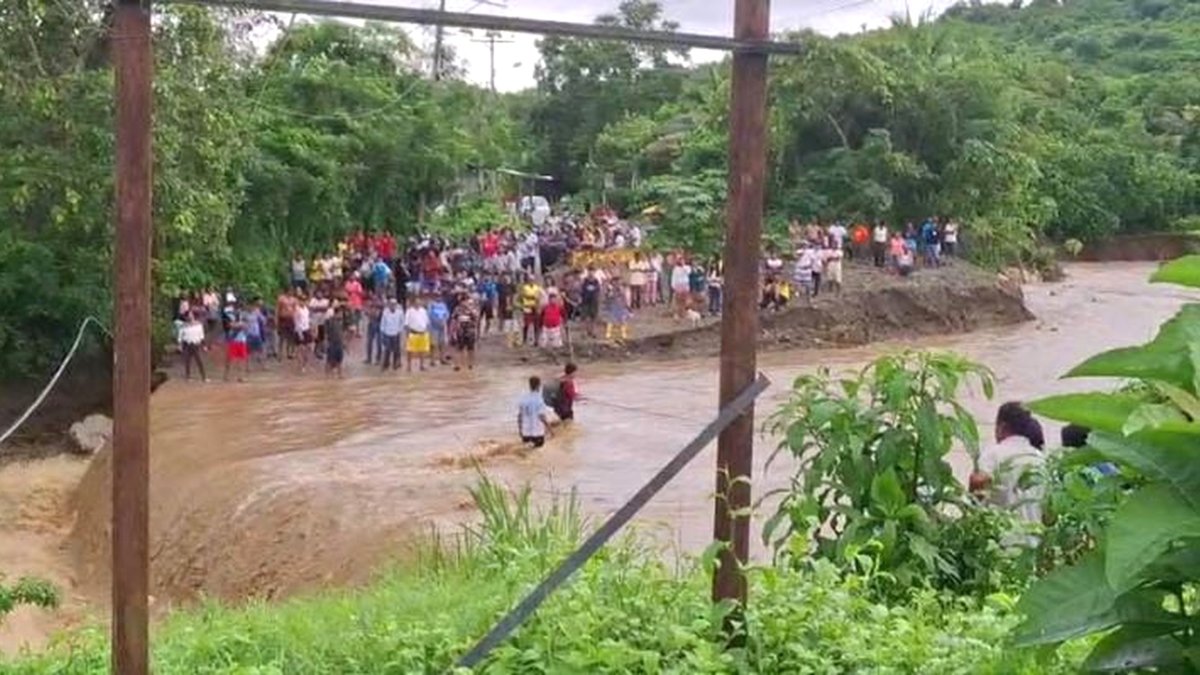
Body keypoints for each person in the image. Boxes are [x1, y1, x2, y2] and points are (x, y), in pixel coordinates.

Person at [972, 402, 1046, 524]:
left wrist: (972, 505)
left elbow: (978, 480)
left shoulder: (993, 454)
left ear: (1001, 427)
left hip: (1003, 537)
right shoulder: (1039, 458)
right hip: (1035, 537)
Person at [517, 376, 553, 449]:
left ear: (529, 385)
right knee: (537, 453)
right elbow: (541, 416)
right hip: (537, 432)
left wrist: (520, 429)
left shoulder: (523, 398)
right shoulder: (539, 399)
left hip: (526, 432)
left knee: (527, 453)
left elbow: (519, 416)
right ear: (539, 385)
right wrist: (550, 429)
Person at [451, 295, 480, 371]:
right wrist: (452, 332)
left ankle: (470, 364)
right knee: (459, 348)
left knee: (471, 349)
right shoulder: (457, 309)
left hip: (470, 331)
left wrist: (470, 310)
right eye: (464, 301)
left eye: (467, 301)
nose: (465, 303)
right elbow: (453, 320)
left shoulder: (473, 309)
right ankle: (458, 365)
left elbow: (477, 319)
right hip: (460, 331)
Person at [178, 311, 207, 382]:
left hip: (196, 344)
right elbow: (180, 337)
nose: (190, 317)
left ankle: (204, 377)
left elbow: (201, 336)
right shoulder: (183, 326)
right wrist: (179, 345)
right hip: (187, 344)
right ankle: (188, 377)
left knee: (199, 361)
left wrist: (204, 345)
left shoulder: (198, 325)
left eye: (191, 315)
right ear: (186, 317)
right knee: (187, 361)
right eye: (188, 315)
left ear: (194, 316)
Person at [405, 296, 431, 372]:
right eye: (416, 302)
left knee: (422, 350)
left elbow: (427, 322)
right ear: (413, 303)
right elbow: (406, 324)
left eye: (419, 302)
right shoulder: (409, 311)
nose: (418, 304)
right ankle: (409, 366)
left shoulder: (423, 311)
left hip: (423, 332)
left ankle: (422, 365)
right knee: (410, 350)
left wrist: (427, 331)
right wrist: (407, 333)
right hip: (413, 333)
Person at [223, 311, 250, 382]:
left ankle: (240, 376)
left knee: (241, 360)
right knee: (231, 359)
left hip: (242, 341)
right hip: (234, 341)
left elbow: (245, 326)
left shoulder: (241, 322)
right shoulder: (231, 321)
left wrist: (239, 325)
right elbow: (232, 326)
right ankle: (226, 375)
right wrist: (239, 325)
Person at [379, 298, 404, 371]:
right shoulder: (385, 312)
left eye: (394, 304)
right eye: (391, 304)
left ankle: (395, 363)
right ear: (389, 305)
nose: (392, 306)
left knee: (396, 349)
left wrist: (399, 330)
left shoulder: (400, 312)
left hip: (396, 333)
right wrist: (382, 332)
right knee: (387, 349)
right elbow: (383, 323)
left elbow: (402, 322)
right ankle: (386, 364)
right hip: (387, 333)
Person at [580, 266, 602, 338]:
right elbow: (582, 290)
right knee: (584, 317)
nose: (591, 273)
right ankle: (584, 332)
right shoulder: (584, 281)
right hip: (585, 301)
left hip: (594, 301)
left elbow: (598, 291)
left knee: (594, 317)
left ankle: (593, 331)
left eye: (592, 271)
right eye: (589, 271)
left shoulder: (596, 281)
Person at [428, 294, 450, 367]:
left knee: (442, 343)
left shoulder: (444, 305)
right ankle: (432, 360)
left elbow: (447, 314)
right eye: (437, 296)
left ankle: (442, 358)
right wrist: (437, 321)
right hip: (434, 327)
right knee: (433, 344)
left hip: (442, 327)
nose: (439, 298)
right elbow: (430, 315)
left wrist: (444, 321)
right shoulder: (431, 305)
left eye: (440, 296)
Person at [325, 303, 346, 378]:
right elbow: (326, 332)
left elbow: (342, 333)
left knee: (339, 360)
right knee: (330, 360)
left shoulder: (341, 322)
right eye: (341, 313)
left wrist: (344, 343)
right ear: (337, 313)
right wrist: (326, 342)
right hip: (332, 343)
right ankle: (327, 375)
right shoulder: (330, 321)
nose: (342, 315)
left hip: (339, 343)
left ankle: (340, 374)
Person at [293, 296, 312, 373]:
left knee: (309, 348)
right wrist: (300, 334)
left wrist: (311, 329)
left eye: (304, 300)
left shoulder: (306, 309)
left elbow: (307, 320)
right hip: (299, 331)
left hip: (307, 330)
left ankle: (305, 365)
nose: (303, 302)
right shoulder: (297, 310)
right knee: (301, 350)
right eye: (302, 300)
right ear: (299, 301)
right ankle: (301, 366)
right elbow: (296, 322)